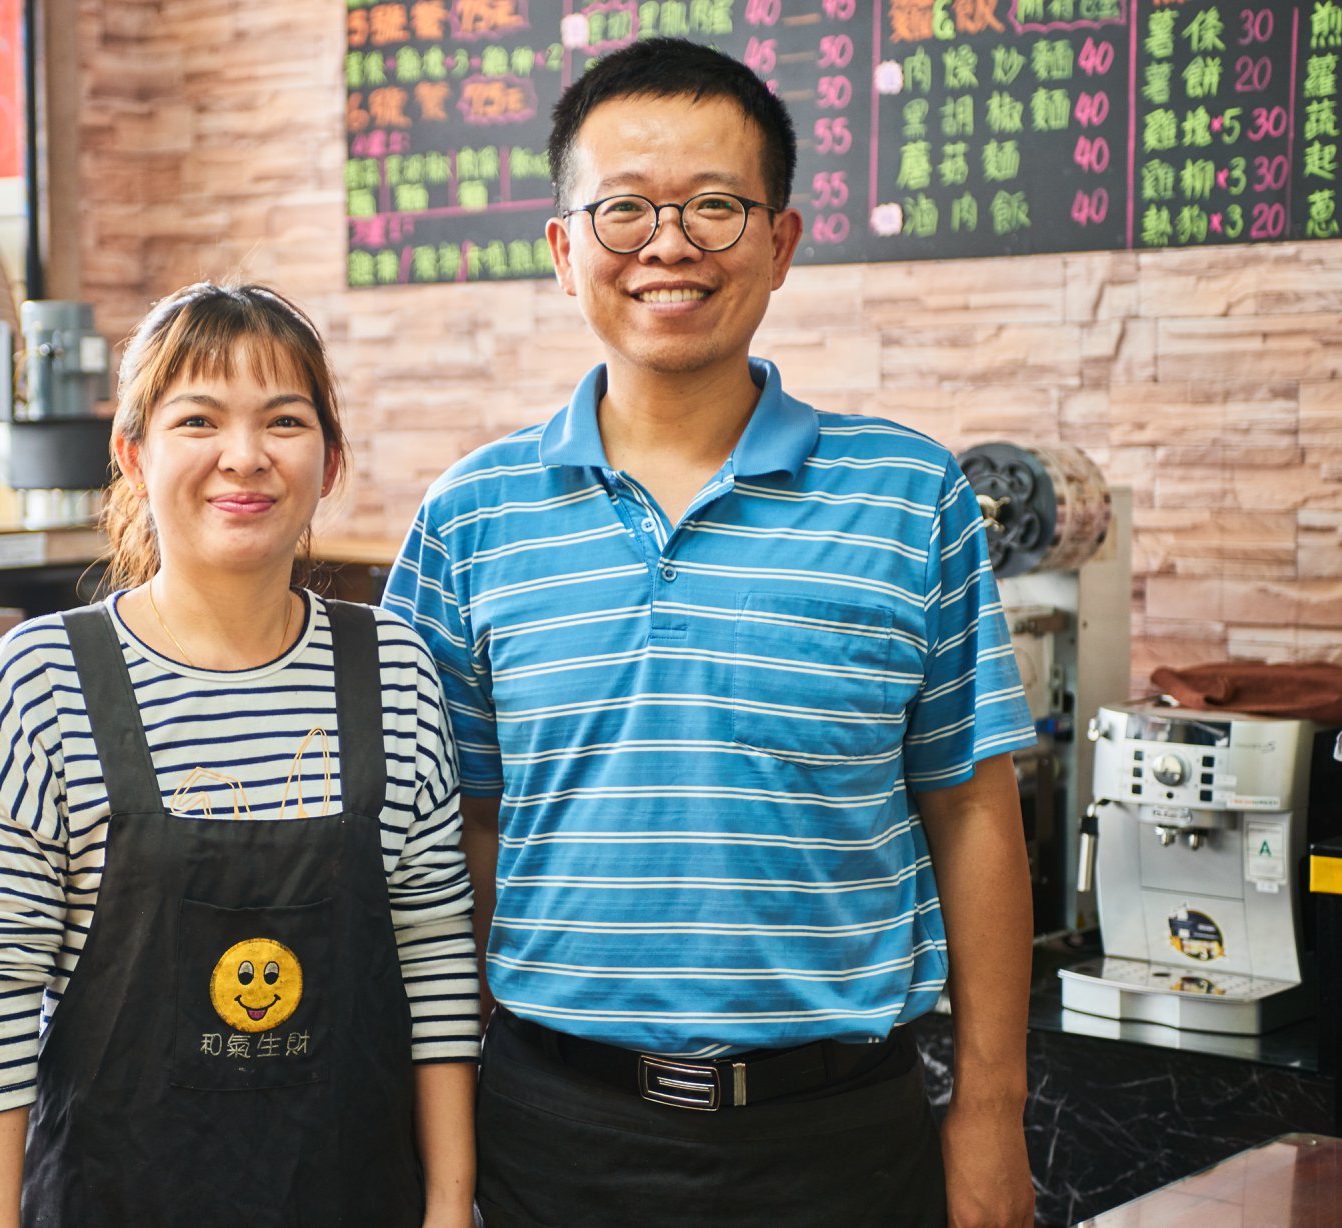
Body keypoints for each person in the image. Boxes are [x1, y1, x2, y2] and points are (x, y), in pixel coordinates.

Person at [382, 39, 1036, 1228]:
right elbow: (445, 842)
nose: (668, 245)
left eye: (715, 207)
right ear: (563, 249)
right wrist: (440, 1151)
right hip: (552, 1134)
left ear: (780, 243)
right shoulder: (469, 518)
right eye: (623, 209)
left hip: (842, 1138)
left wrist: (989, 1111)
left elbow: (970, 806)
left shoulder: (907, 493)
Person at [0, 281, 481, 1228]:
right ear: (133, 453)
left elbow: (434, 956)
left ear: (330, 458)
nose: (245, 456)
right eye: (198, 419)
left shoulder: (393, 667)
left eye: (284, 420)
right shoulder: (41, 680)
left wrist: (448, 1205)